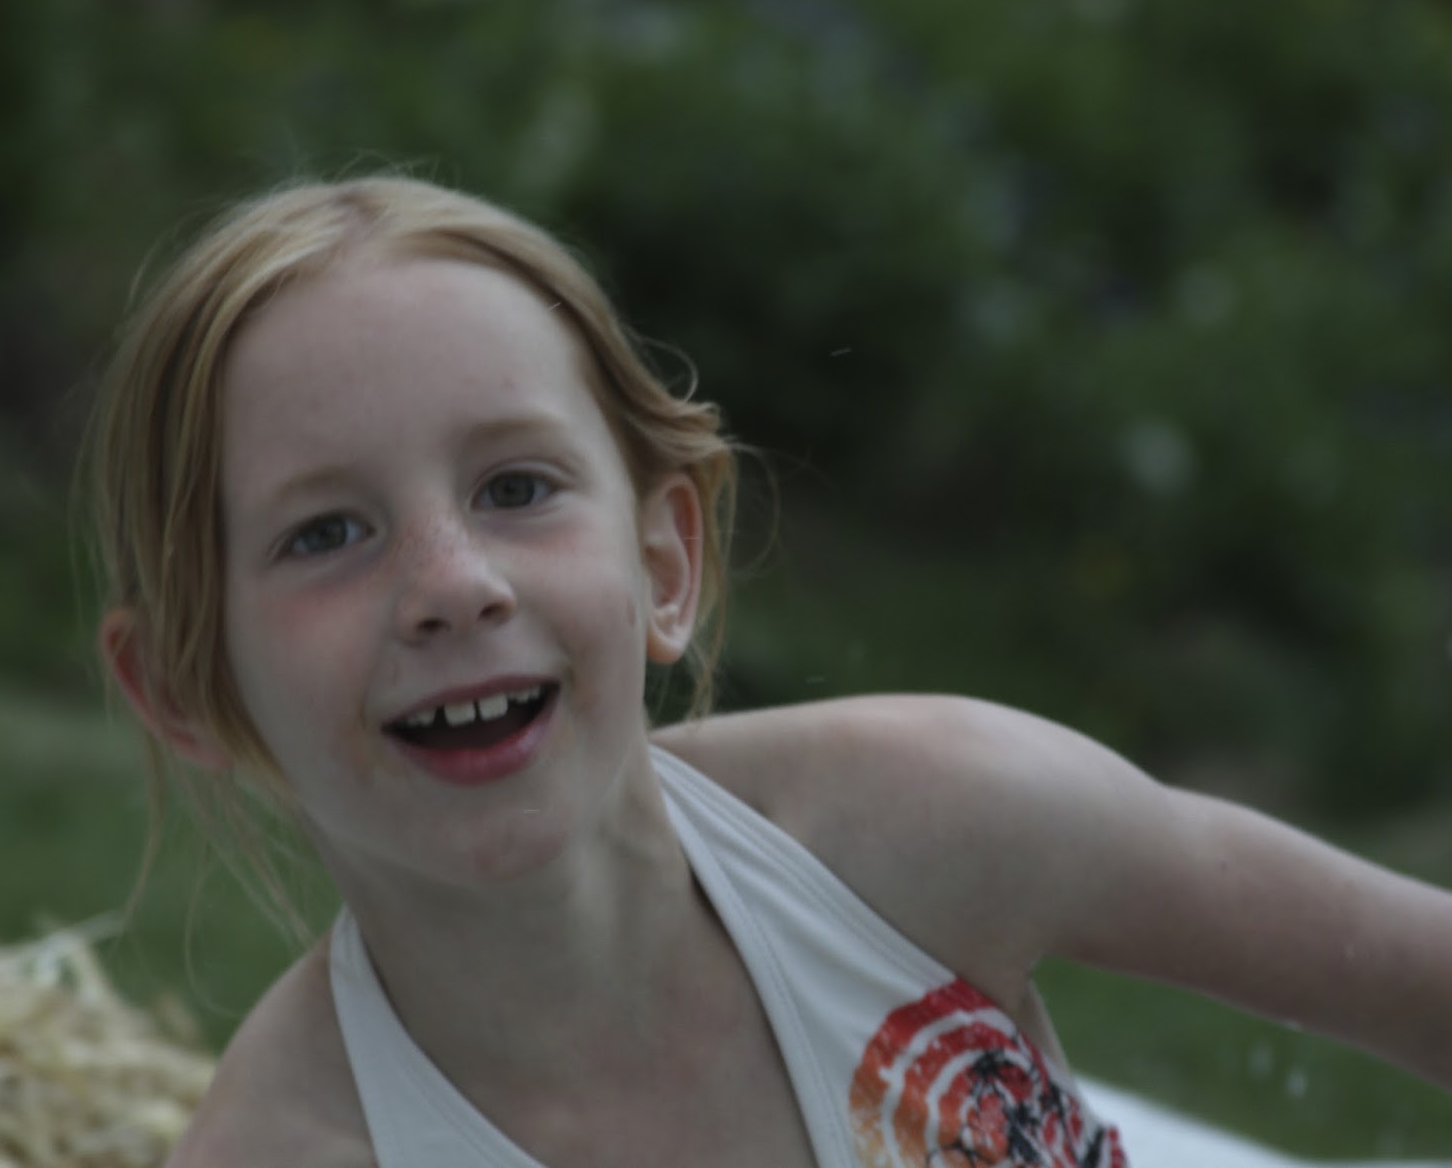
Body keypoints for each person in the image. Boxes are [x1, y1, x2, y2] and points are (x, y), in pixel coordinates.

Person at [87, 173, 1452, 1168]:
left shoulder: (919, 829)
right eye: (326, 533)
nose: (454, 584)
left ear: (665, 561)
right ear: (186, 686)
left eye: (516, 487)